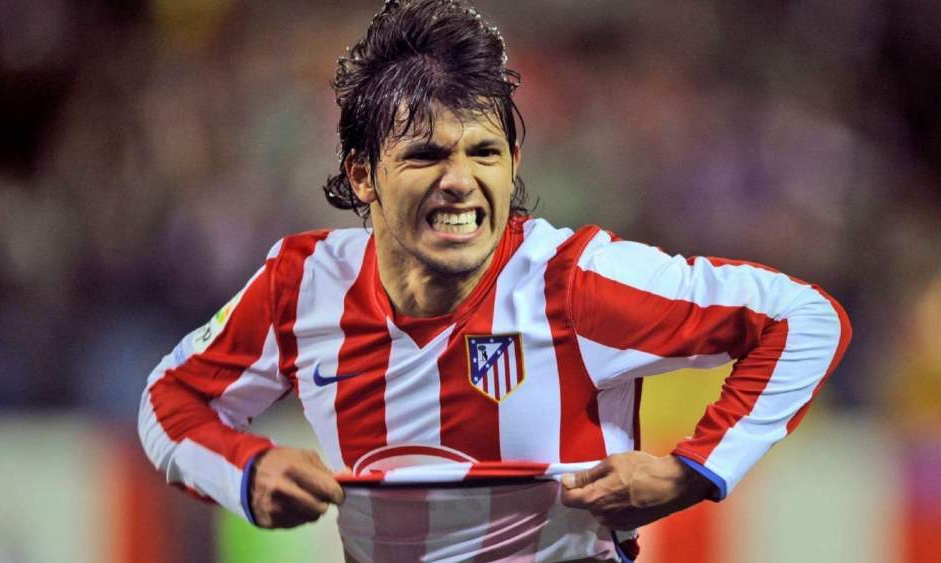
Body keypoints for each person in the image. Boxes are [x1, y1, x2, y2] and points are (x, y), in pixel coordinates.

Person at [137, 1, 852, 561]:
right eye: (424, 154)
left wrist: (691, 472)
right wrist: (246, 471)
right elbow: (171, 398)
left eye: (484, 151)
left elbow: (805, 317)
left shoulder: (575, 282)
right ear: (362, 175)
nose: (460, 181)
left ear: (513, 163)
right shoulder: (302, 287)